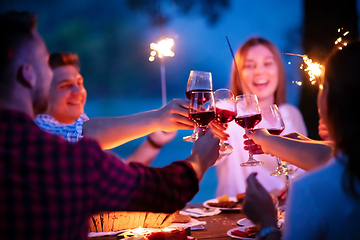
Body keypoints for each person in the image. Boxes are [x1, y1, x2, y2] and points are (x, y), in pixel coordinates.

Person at [0, 11, 221, 240]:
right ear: (28, 75)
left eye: (79, 83)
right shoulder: (66, 157)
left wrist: (155, 135)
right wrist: (200, 159)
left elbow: (117, 167)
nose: (77, 92)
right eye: (44, 63)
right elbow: (160, 190)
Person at [243, 41, 360, 239]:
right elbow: (331, 156)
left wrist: (267, 223)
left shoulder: (308, 190)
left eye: (322, 85)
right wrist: (284, 143)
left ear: (332, 99)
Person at [35, 52, 176, 166]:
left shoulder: (83, 142)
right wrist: (158, 118)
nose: (78, 91)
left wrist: (154, 142)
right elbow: (86, 133)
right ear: (42, 94)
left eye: (79, 83)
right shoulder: (38, 130)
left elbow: (123, 173)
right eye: (65, 86)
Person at [215, 37, 307, 198]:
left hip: (282, 215)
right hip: (232, 216)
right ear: (238, 75)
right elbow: (212, 156)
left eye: (267, 63)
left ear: (279, 69)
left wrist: (296, 185)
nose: (259, 72)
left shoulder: (291, 114)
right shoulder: (226, 113)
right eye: (250, 66)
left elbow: (303, 168)